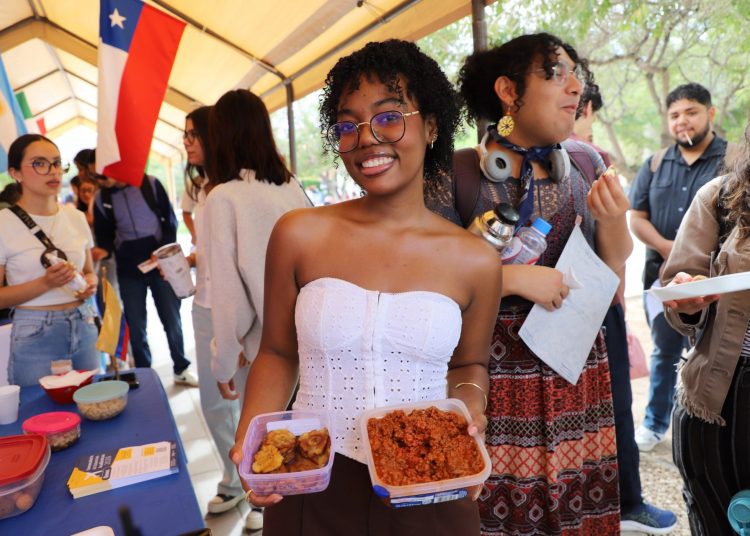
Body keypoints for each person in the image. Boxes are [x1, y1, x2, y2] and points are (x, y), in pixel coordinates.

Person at [231, 40, 502, 535]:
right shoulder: (299, 234)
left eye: (389, 117)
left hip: (432, 482)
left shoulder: (475, 259)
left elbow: (470, 365)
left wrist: (471, 408)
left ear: (432, 126)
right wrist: (252, 440)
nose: (366, 138)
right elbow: (276, 351)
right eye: (348, 125)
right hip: (313, 481)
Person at [426, 32, 629, 534]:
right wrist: (513, 277)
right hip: (491, 383)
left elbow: (611, 269)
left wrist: (614, 222)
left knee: (580, 511)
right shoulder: (454, 175)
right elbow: (426, 284)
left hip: (577, 373)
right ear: (508, 91)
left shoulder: (586, 163)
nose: (576, 87)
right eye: (556, 73)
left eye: (576, 75)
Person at [203, 89, 311, 531]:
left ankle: (265, 513)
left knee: (270, 453)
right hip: (313, 337)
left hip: (270, 349)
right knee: (306, 450)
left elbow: (230, 296)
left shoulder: (223, 197)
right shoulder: (291, 185)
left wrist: (223, 359)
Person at [573, 84, 678, 532]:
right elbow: (614, 254)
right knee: (611, 408)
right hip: (595, 307)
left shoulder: (590, 160)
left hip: (588, 305)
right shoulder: (591, 160)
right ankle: (625, 503)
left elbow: (618, 240)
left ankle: (612, 503)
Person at [629, 83, 731, 452]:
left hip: (720, 283)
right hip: (663, 278)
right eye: (674, 115)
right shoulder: (655, 164)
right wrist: (668, 248)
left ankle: (714, 428)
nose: (682, 121)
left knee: (718, 352)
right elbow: (636, 217)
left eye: (691, 112)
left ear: (710, 113)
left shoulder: (733, 160)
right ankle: (655, 423)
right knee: (664, 351)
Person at [661, 120, 750, 535]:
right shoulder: (719, 198)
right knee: (720, 519)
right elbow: (678, 293)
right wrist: (686, 299)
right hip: (727, 400)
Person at [178, 105, 245, 516]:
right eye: (184, 135)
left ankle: (261, 489)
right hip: (204, 307)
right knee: (214, 403)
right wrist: (191, 258)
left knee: (251, 400)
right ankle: (234, 481)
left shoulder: (239, 187)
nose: (186, 143)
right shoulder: (202, 188)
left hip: (239, 310)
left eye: (193, 134)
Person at [0, 134, 100, 386]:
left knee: (92, 401)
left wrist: (90, 283)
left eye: (56, 163)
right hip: (35, 331)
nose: (53, 171)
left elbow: (89, 270)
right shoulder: (3, 224)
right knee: (38, 406)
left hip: (83, 321)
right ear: (15, 173)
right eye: (39, 163)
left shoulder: (76, 217)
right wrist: (45, 283)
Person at [92, 157, 197, 387]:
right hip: (128, 269)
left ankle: (181, 368)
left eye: (104, 175)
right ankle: (144, 374)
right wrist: (101, 251)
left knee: (171, 319)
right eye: (97, 176)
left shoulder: (150, 184)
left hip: (160, 265)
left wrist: (161, 252)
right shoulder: (102, 198)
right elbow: (104, 237)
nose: (101, 180)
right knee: (136, 325)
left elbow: (170, 222)